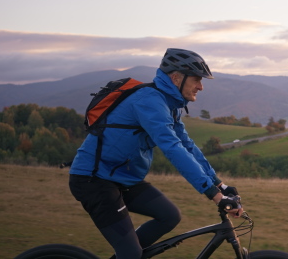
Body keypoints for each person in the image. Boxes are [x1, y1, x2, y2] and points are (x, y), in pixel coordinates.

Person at [69, 48, 242, 259]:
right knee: (131, 254)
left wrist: (219, 184)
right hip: (94, 180)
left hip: (123, 179)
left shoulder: (170, 105)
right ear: (176, 77)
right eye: (196, 79)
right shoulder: (149, 100)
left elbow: (186, 145)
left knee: (169, 216)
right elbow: (173, 148)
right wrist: (213, 195)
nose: (201, 86)